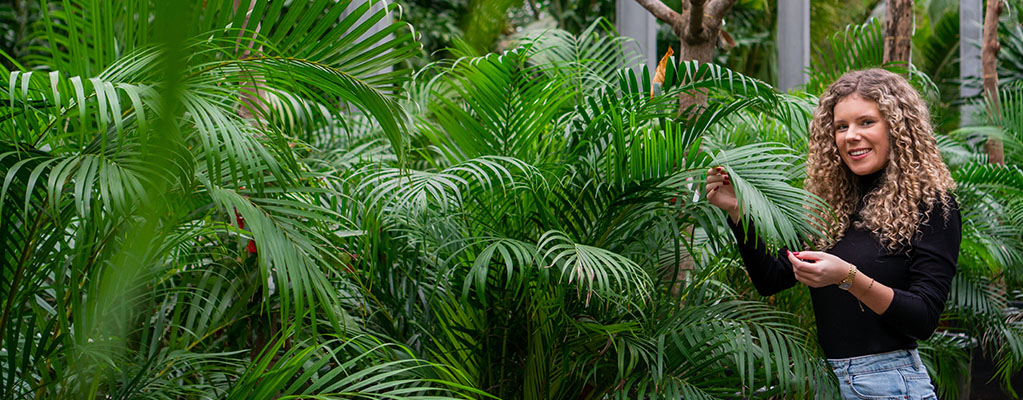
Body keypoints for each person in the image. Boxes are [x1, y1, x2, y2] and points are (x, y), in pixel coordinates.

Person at [705, 68, 960, 399]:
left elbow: (924, 318)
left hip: (889, 383)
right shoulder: (832, 205)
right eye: (841, 126)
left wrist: (848, 278)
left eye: (866, 122)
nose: (850, 135)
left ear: (898, 128)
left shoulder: (933, 206)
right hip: (828, 381)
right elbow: (773, 277)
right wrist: (738, 212)